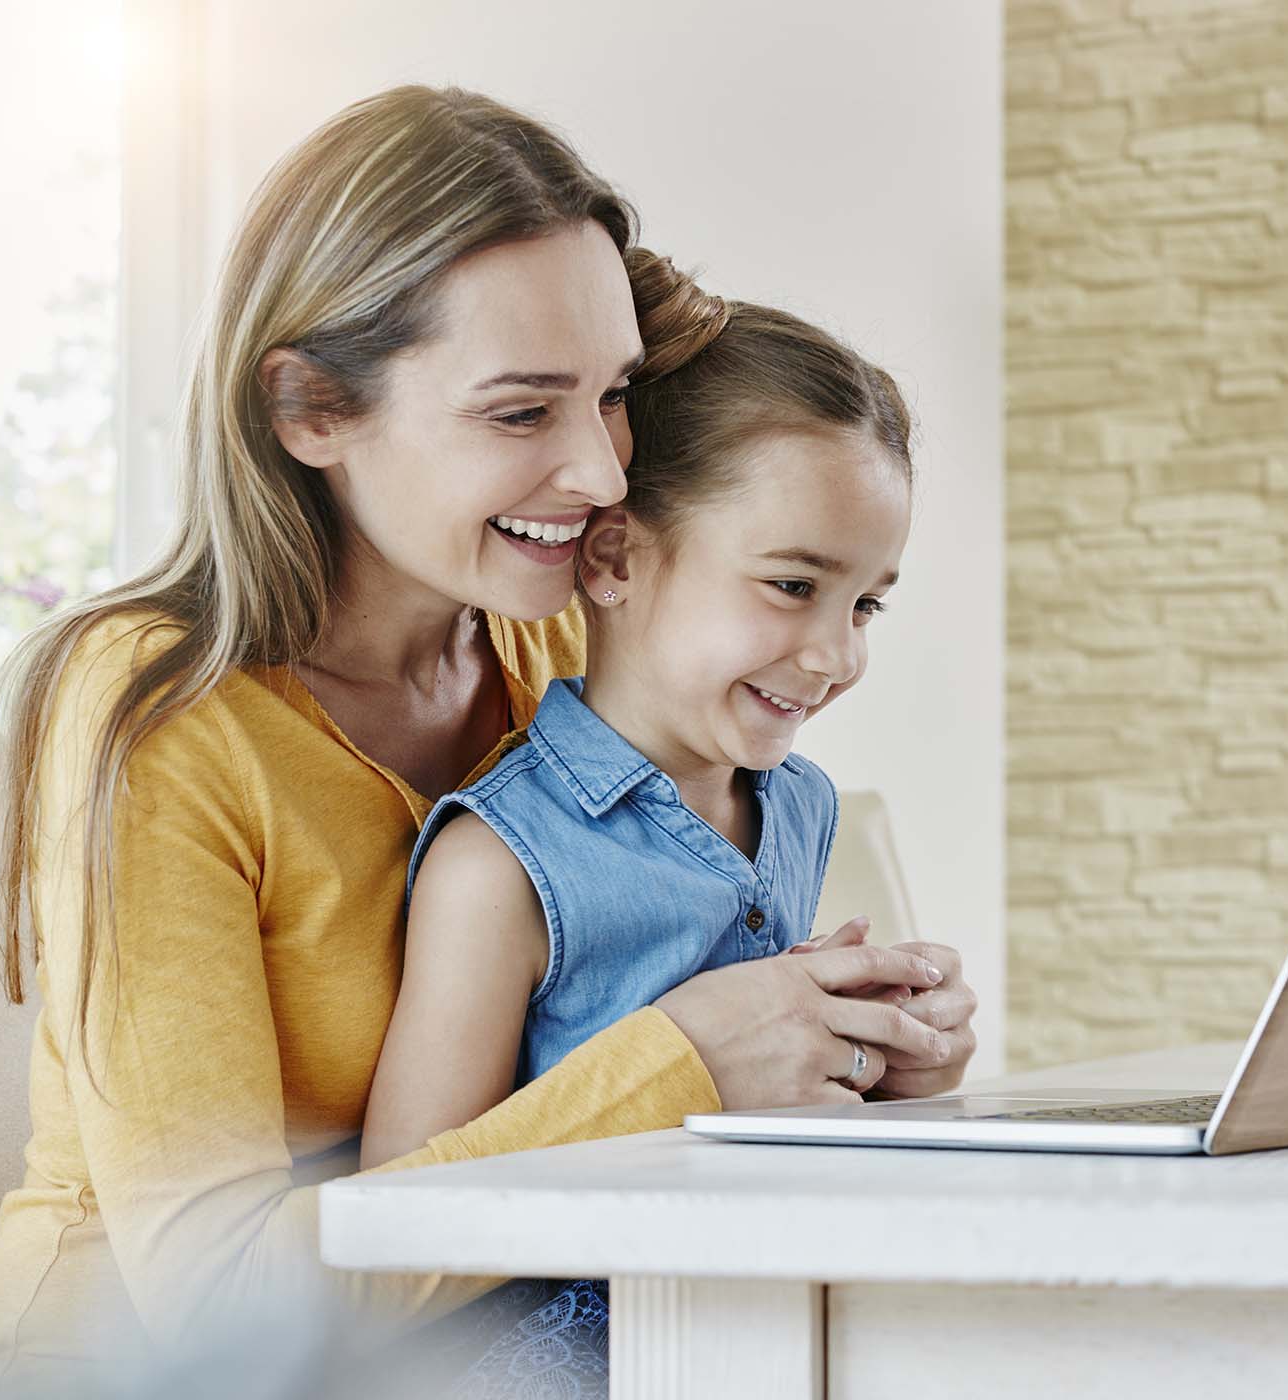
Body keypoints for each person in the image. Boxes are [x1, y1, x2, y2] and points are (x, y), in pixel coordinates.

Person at [0, 85, 979, 1395]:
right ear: (312, 409)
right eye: (520, 412)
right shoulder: (163, 721)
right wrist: (683, 1067)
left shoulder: (547, 644)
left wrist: (850, 1050)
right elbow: (219, 1305)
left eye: (613, 397)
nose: (604, 475)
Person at [357, 255, 932, 1395]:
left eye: (864, 602)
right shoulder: (499, 863)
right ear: (615, 555)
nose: (838, 655)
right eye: (790, 586)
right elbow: (398, 1220)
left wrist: (896, 1059)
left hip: (748, 1318)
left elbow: (771, 1104)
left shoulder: (798, 804)